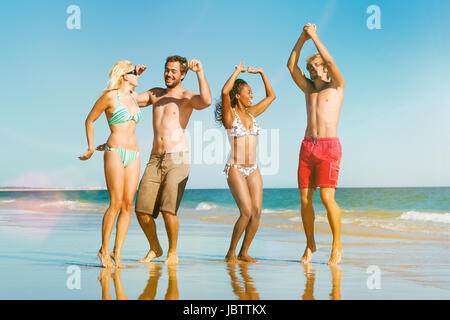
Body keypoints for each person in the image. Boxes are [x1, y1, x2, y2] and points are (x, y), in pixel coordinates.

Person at [131, 55, 212, 265]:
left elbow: (206, 101)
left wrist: (200, 72)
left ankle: (172, 252)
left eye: (174, 71)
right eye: (167, 70)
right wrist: (133, 76)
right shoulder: (155, 94)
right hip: (154, 159)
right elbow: (131, 99)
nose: (169, 74)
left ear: (183, 74)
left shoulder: (186, 96)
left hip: (178, 159)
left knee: (168, 210)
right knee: (141, 211)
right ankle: (155, 247)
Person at [287, 23, 346, 265]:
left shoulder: (337, 86)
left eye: (315, 67)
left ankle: (337, 244)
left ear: (324, 68)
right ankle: (310, 243)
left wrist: (315, 37)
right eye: (309, 68)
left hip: (329, 147)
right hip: (307, 148)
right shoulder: (308, 90)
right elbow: (290, 66)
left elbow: (331, 63)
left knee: (326, 197)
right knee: (304, 199)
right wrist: (302, 38)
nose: (311, 71)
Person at [79, 61, 145, 268]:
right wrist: (91, 147)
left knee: (127, 205)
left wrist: (138, 73)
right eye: (133, 72)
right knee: (115, 203)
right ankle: (104, 250)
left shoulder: (135, 97)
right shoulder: (110, 97)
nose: (137, 74)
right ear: (125, 76)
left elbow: (147, 94)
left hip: (134, 153)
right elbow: (90, 120)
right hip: (114, 151)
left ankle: (117, 252)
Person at [215, 62, 276, 263]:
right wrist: (237, 71)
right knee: (246, 212)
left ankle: (244, 252)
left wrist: (262, 72)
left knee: (257, 213)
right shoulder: (230, 115)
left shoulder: (252, 113)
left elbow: (271, 97)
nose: (252, 96)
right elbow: (225, 92)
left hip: (254, 168)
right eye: (248, 93)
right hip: (236, 168)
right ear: (238, 95)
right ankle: (231, 252)